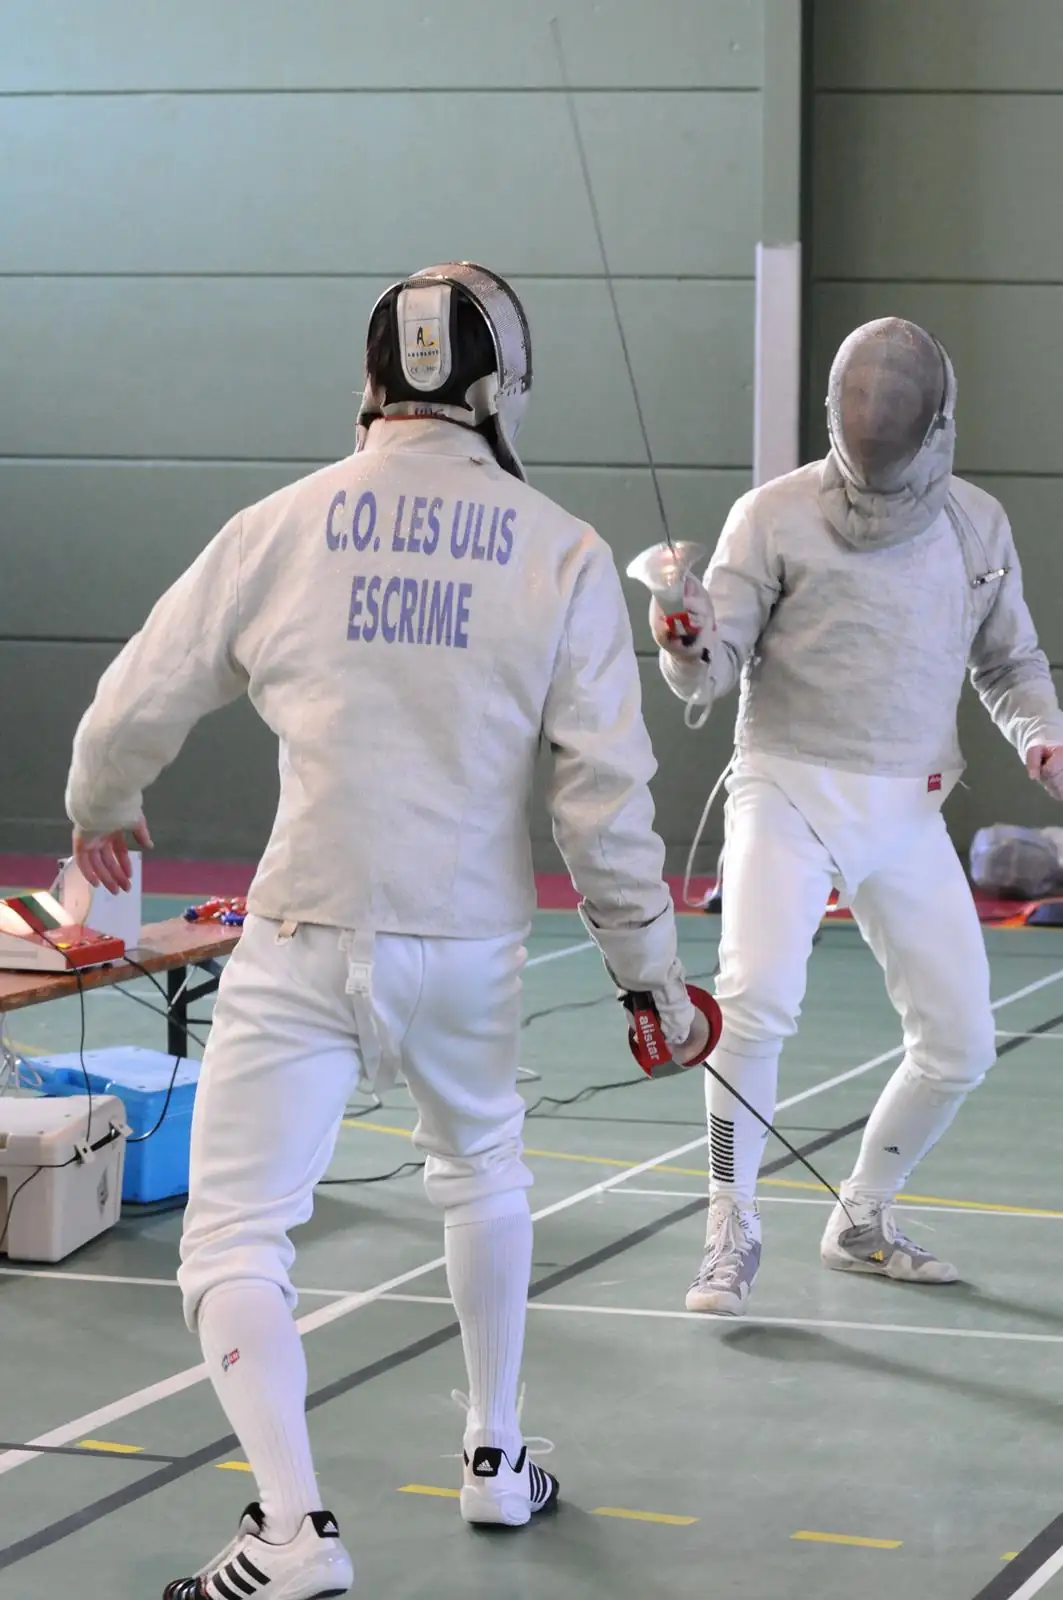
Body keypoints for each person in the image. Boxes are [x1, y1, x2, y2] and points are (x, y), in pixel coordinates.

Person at [66, 261, 708, 1600]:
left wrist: (102, 807)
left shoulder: (281, 525)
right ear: (500, 388)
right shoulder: (561, 549)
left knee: (234, 1237)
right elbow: (602, 800)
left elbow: (132, 701)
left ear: (370, 380)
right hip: (468, 942)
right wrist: (648, 978)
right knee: (481, 1168)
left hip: (307, 922)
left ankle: (291, 1530)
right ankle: (494, 1455)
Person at [650, 317, 1063, 1317]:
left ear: (936, 426)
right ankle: (728, 1229)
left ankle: (861, 1217)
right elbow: (711, 667)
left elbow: (1007, 662)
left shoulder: (976, 524)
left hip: (907, 808)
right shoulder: (772, 514)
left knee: (960, 1041)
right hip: (787, 790)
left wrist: (1043, 736)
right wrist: (684, 637)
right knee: (753, 1002)